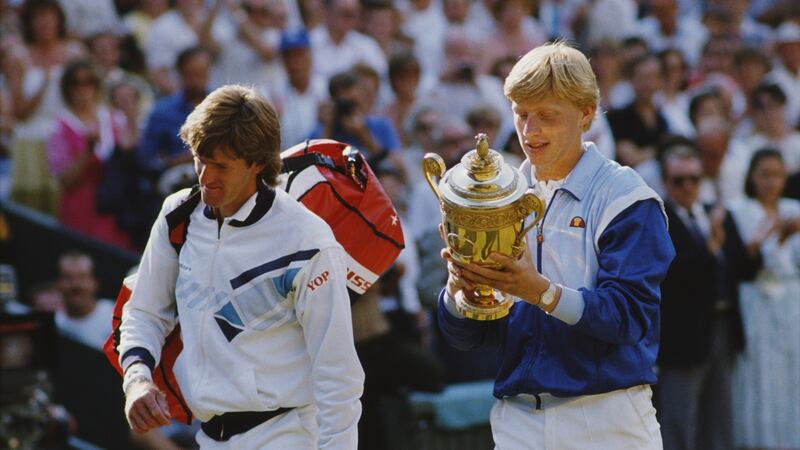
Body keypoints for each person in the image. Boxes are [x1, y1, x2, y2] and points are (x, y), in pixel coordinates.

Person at [436, 42, 675, 449]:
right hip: (516, 420)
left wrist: (540, 292)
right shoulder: (499, 194)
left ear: (586, 114)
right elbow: (466, 339)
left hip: (607, 420)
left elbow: (629, 317)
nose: (529, 131)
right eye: (521, 114)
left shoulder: (627, 197)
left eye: (546, 116)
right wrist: (461, 295)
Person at [118, 85, 364, 449]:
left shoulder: (308, 241)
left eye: (222, 166)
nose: (205, 177)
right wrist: (137, 380)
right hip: (208, 437)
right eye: (200, 158)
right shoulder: (177, 216)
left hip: (290, 435)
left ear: (258, 163)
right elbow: (144, 313)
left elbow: (338, 375)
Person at [656, 142, 763, 450]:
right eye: (679, 180)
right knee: (680, 419)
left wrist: (755, 250)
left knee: (719, 416)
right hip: (684, 334)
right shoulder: (660, 220)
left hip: (723, 325)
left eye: (694, 179)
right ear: (666, 182)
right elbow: (672, 274)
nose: (688, 186)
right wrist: (711, 246)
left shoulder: (714, 213)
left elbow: (740, 268)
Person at [729, 149, 800, 450]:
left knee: (790, 372)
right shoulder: (739, 210)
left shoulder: (793, 208)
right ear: (752, 176)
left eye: (777, 174)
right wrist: (775, 240)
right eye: (765, 174)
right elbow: (741, 265)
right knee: (760, 373)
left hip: (791, 300)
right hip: (756, 298)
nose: (771, 182)